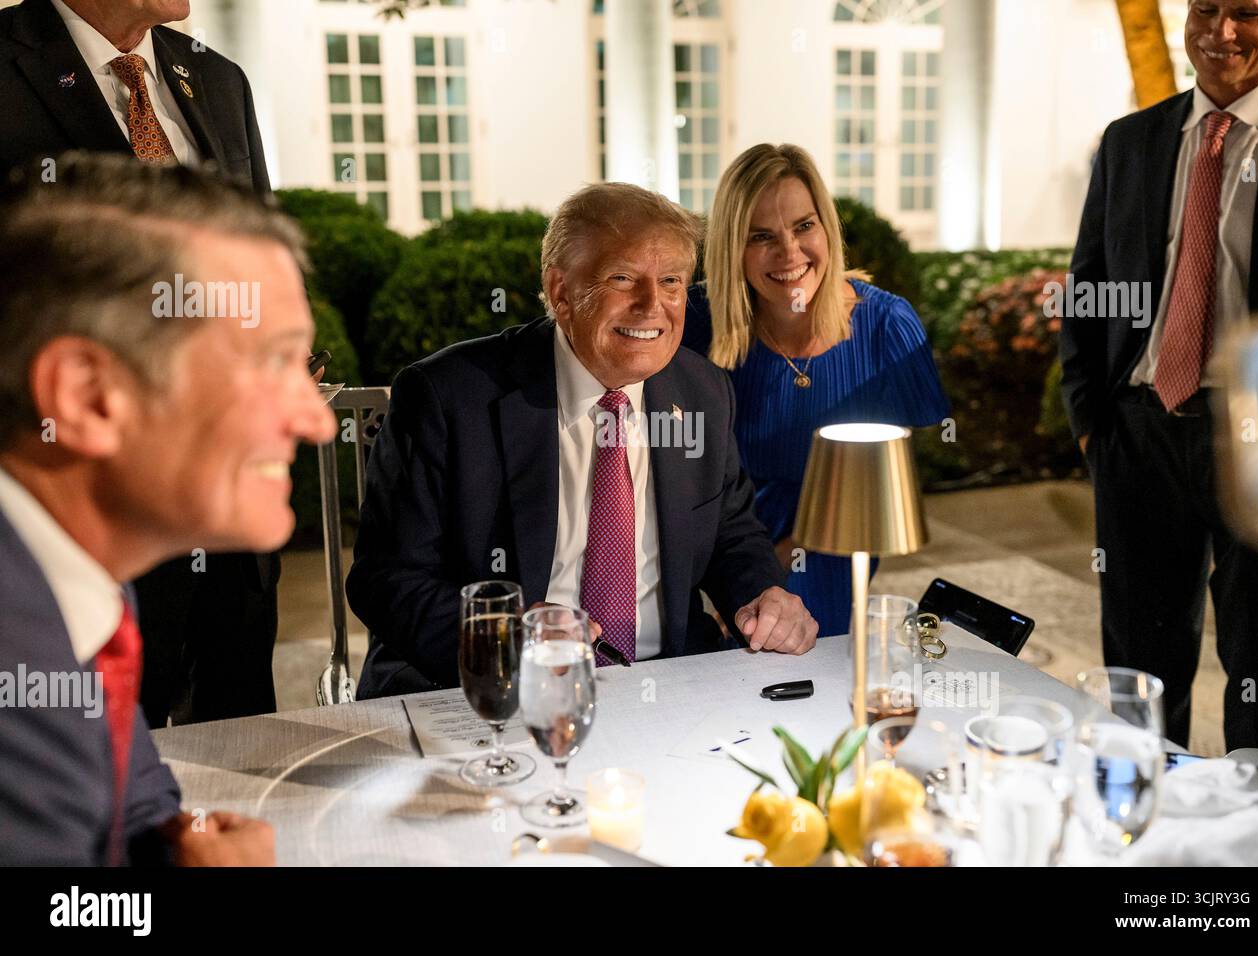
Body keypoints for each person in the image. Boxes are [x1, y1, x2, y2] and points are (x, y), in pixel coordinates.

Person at [347, 182, 818, 698]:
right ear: (560, 292)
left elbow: (730, 532)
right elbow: (386, 580)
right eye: (623, 278)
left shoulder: (704, 392)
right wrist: (502, 635)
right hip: (497, 690)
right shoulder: (449, 397)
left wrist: (763, 594)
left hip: (668, 688)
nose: (651, 305)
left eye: (671, 282)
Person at [0, 152, 336, 864]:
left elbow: (132, 799)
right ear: (89, 396)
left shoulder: (75, 564)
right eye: (274, 362)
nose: (318, 421)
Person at [0, 0, 283, 726]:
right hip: (81, 500)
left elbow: (257, 245)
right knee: (100, 747)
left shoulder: (216, 80)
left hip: (220, 499)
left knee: (240, 730)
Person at [1059, 0, 1258, 750]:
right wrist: (1092, 424)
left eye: (1246, 13)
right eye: (1205, 8)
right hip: (1138, 437)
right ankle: (1144, 834)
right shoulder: (1131, 141)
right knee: (1137, 671)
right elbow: (1089, 285)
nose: (1220, 31)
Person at [682, 144, 949, 637]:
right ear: (731, 249)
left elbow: (891, 484)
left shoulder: (887, 327)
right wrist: (730, 583)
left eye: (804, 226)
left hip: (834, 548)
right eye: (761, 236)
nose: (789, 253)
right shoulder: (696, 325)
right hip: (719, 560)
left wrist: (785, 562)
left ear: (826, 226)